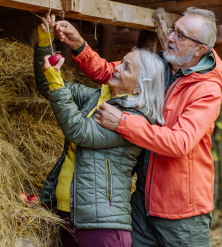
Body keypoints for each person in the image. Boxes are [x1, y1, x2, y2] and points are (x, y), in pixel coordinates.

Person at [54, 7, 222, 247]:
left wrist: (123, 122)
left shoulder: (206, 91)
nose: (169, 37)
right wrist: (78, 45)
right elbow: (110, 72)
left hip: (182, 212)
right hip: (142, 203)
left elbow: (180, 143)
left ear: (199, 49)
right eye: (173, 30)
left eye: (180, 35)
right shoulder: (162, 64)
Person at [35, 14, 166, 247]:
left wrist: (56, 80)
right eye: (121, 61)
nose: (116, 68)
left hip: (102, 226)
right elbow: (49, 85)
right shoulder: (97, 97)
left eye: (126, 68)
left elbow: (79, 131)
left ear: (139, 86)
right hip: (68, 216)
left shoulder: (133, 118)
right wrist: (45, 42)